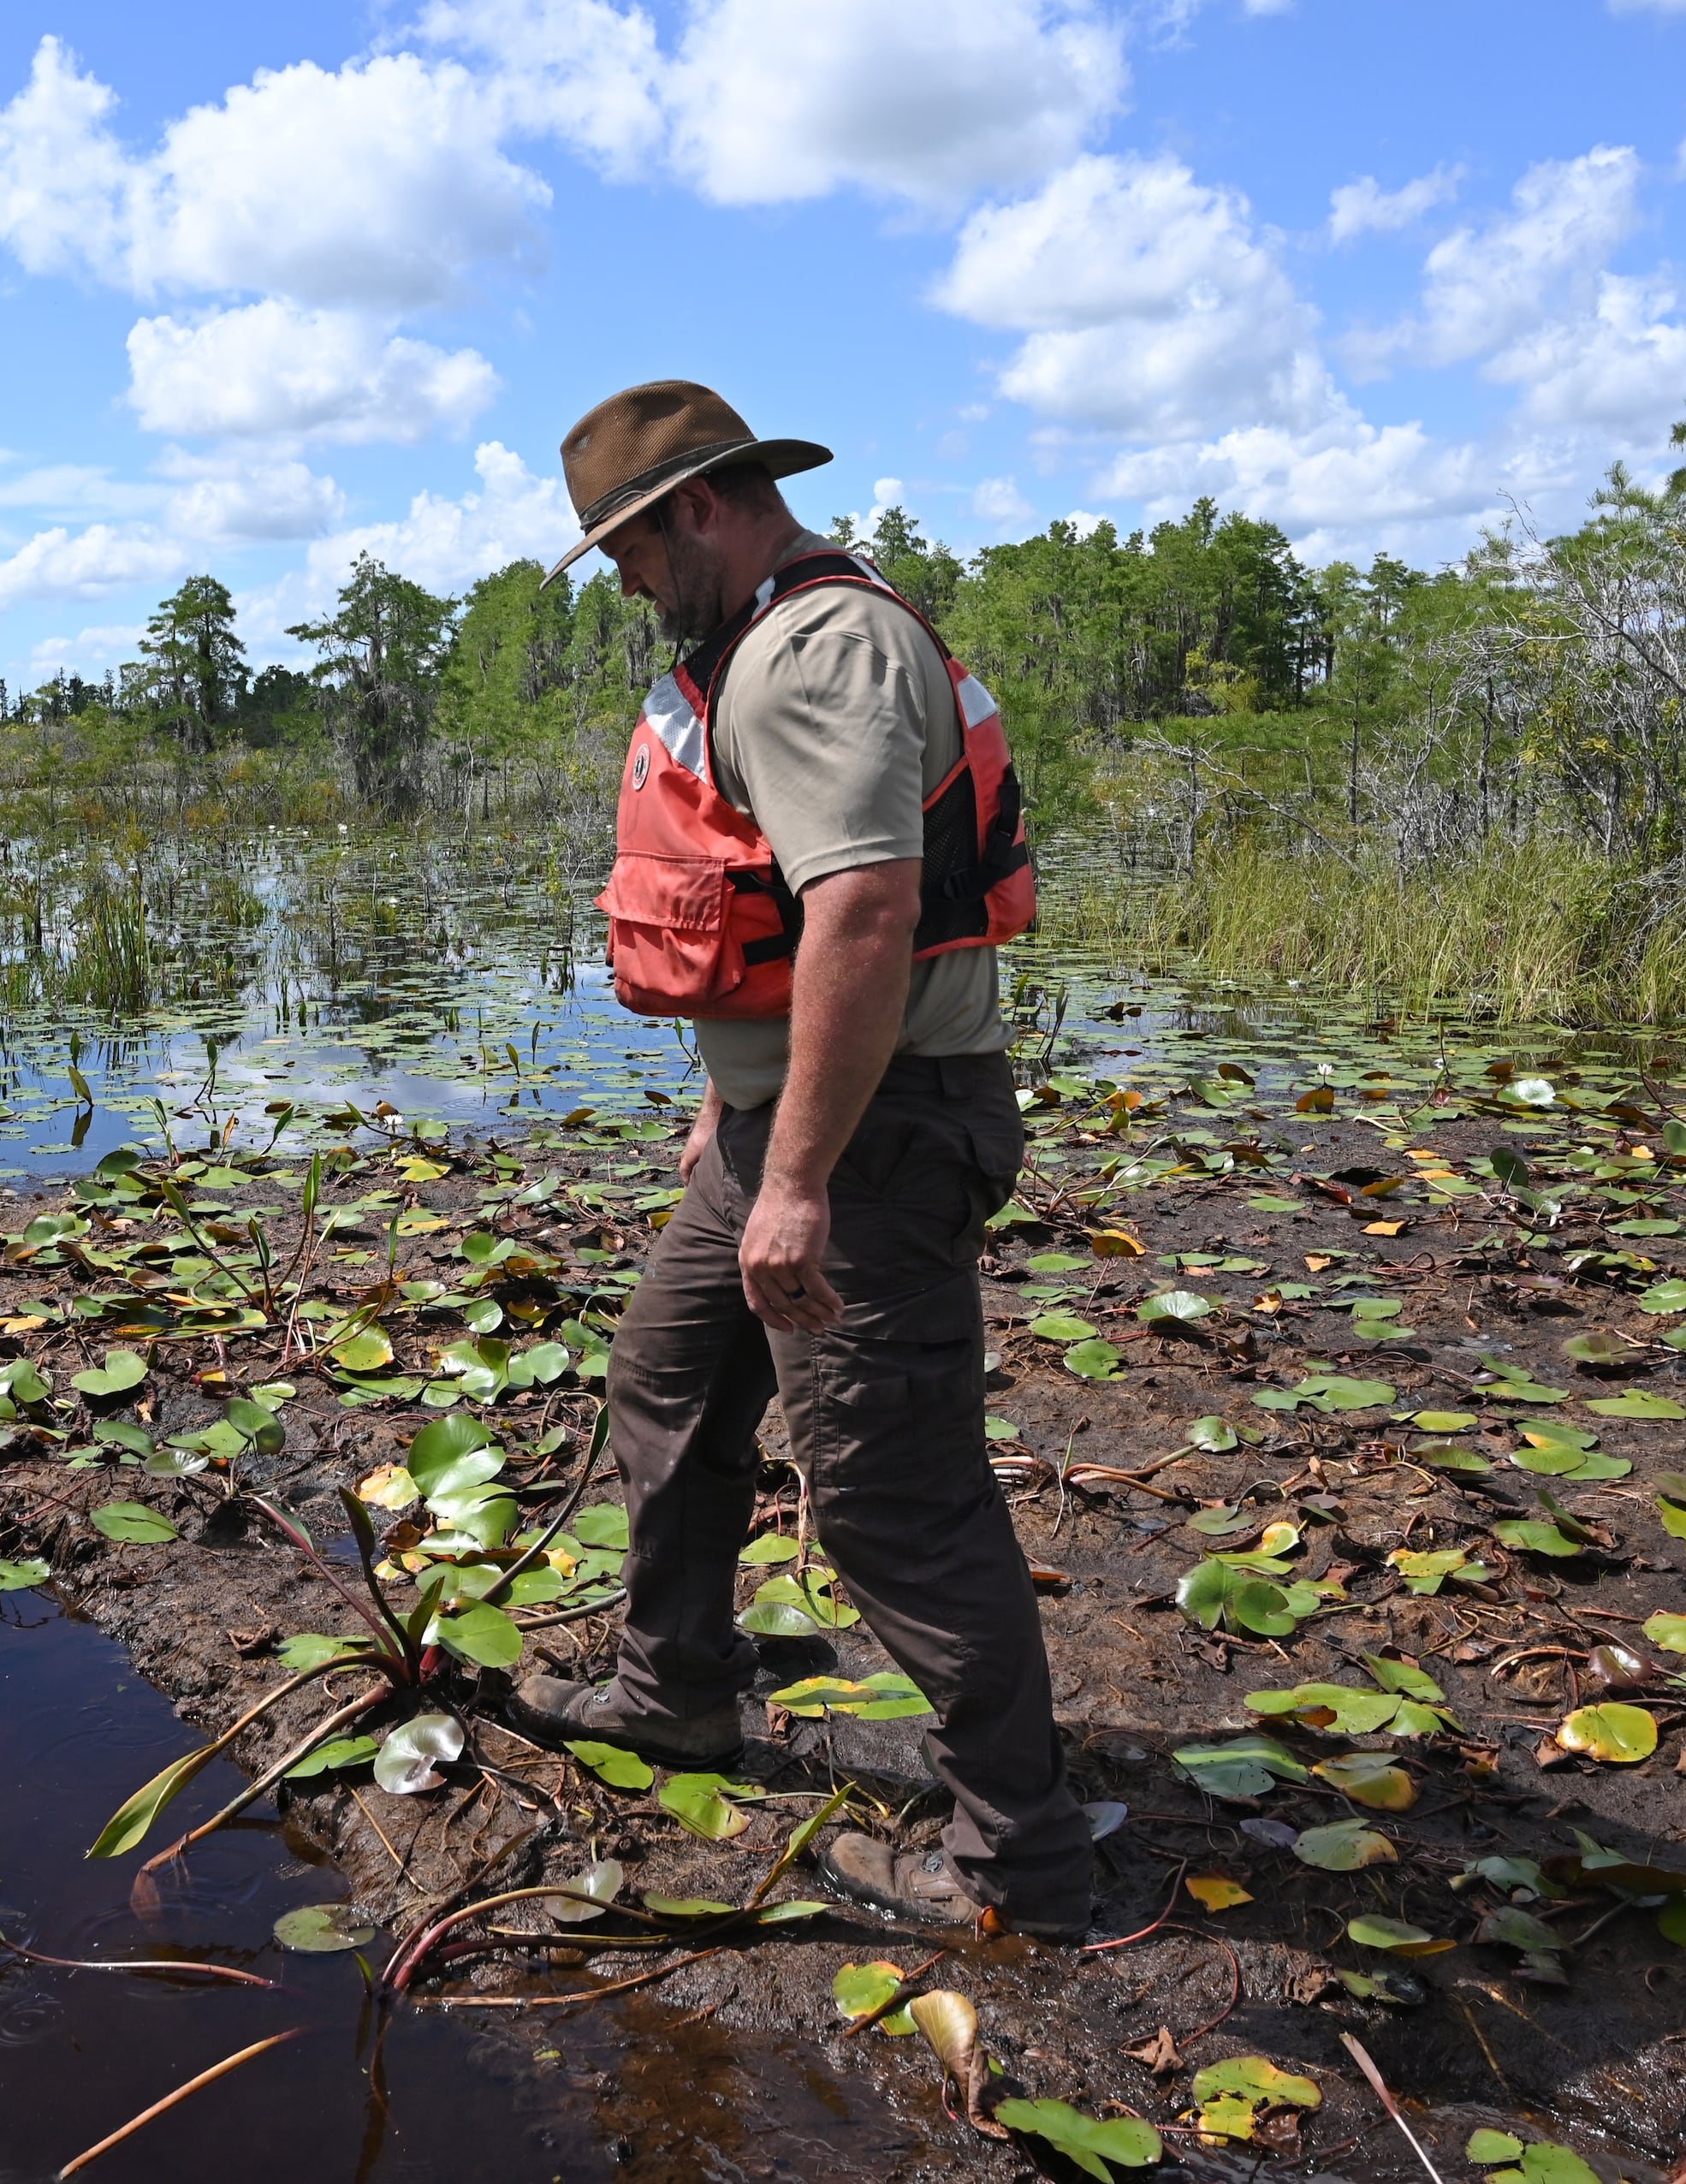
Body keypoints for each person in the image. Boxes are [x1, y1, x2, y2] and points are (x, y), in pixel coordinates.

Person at [507, 380, 1096, 1940]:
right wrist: (734, 1118)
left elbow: (865, 915)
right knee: (672, 1375)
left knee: (892, 1491)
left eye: (630, 548)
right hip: (797, 1119)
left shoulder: (812, 650)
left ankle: (1013, 1860)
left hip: (877, 1133)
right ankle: (677, 1689)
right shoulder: (762, 637)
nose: (629, 582)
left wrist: (795, 1180)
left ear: (701, 508)